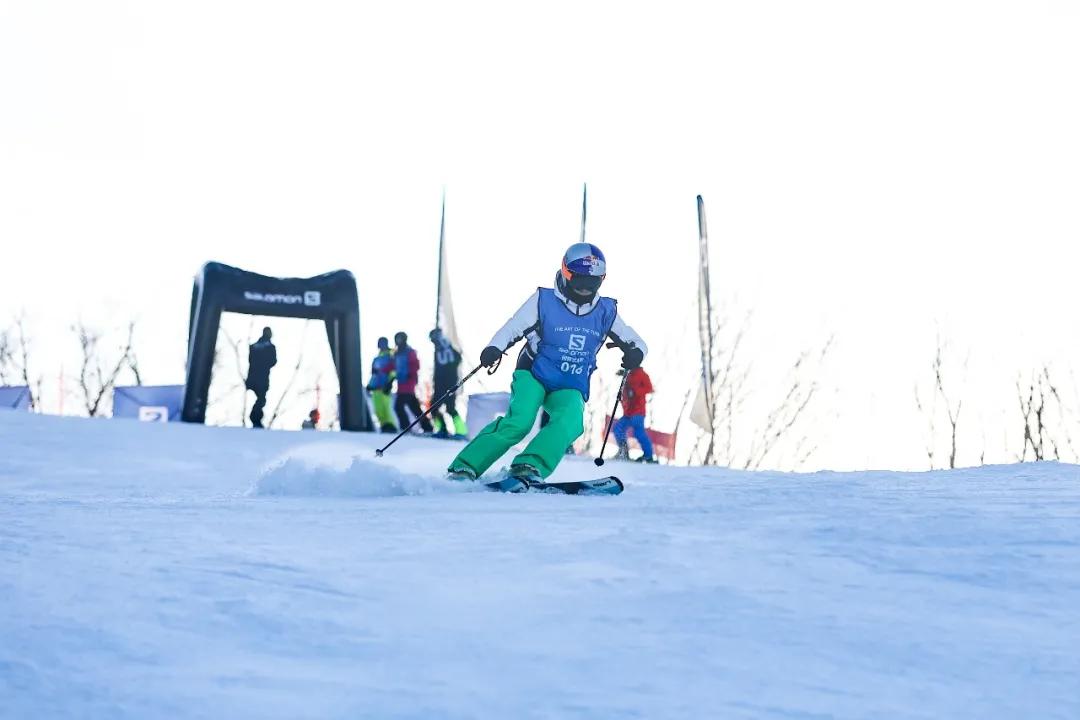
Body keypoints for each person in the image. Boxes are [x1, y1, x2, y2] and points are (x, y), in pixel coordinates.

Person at [446, 242, 647, 485]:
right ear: (566, 273)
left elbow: (635, 340)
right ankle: (464, 467)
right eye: (580, 280)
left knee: (571, 421)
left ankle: (529, 465)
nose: (585, 289)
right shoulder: (544, 300)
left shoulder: (605, 311)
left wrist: (636, 353)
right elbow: (514, 325)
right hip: (534, 373)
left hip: (569, 382)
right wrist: (494, 348)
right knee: (519, 422)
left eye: (592, 282)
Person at [429, 328, 467, 438]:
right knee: (436, 406)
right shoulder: (443, 346)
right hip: (444, 382)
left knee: (448, 407)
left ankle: (460, 431)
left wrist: (449, 375)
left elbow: (455, 359)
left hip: (447, 382)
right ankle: (443, 429)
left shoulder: (443, 346)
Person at [613, 365, 656, 462]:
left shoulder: (641, 374)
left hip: (638, 411)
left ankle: (648, 456)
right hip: (628, 412)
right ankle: (624, 452)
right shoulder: (628, 373)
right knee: (618, 428)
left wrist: (635, 391)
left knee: (638, 432)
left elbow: (649, 388)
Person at [392, 331, 433, 433]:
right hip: (401, 384)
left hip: (408, 384)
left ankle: (406, 427)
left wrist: (411, 375)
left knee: (398, 406)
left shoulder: (409, 351)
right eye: (397, 339)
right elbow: (394, 367)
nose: (398, 341)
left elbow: (415, 364)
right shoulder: (397, 353)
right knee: (414, 408)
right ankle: (427, 427)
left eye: (400, 339)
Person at [245, 327, 277, 429]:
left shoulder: (254, 346)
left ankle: (256, 417)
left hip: (253, 377)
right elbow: (273, 361)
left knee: (261, 399)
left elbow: (250, 359)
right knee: (261, 399)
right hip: (262, 378)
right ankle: (255, 417)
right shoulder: (270, 347)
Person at [366, 336, 398, 433]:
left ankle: (391, 425)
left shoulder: (390, 356)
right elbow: (374, 374)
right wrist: (370, 385)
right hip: (376, 387)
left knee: (386, 408)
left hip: (385, 386)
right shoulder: (376, 359)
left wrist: (390, 382)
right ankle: (384, 425)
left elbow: (394, 370)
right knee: (378, 409)